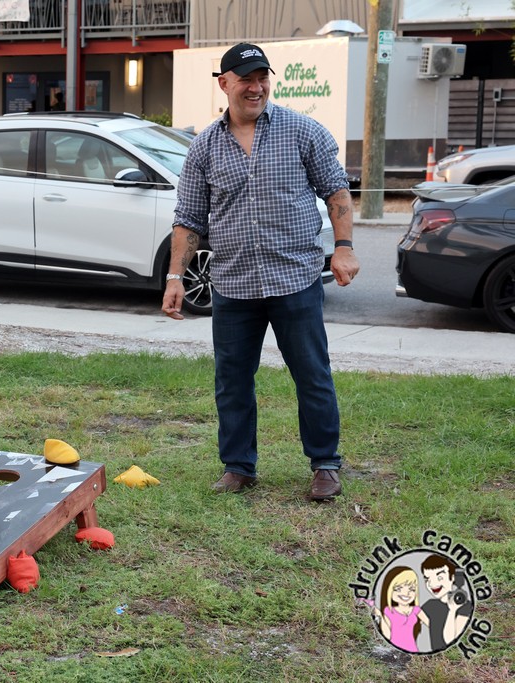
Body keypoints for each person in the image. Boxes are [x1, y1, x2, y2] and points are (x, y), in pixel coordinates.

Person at [161, 43, 360, 500]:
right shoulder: (204, 147)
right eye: (246, 79)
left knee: (311, 374)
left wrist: (344, 248)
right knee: (231, 381)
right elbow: (188, 218)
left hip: (294, 280)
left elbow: (336, 191)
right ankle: (238, 467)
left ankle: (325, 464)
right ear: (224, 83)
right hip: (233, 286)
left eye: (262, 78)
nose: (256, 87)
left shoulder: (302, 131)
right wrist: (175, 278)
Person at [420, 555, 473, 651]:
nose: (432, 584)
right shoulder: (430, 605)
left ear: (452, 578)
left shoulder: (464, 606)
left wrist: (452, 610)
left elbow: (450, 640)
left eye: (440, 577)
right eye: (428, 579)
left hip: (453, 655)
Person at [377, 567, 429, 652]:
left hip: (412, 649)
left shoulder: (416, 610)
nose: (406, 593)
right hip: (394, 649)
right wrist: (380, 616)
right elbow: (387, 635)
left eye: (412, 589)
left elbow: (432, 625)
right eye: (398, 589)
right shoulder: (388, 611)